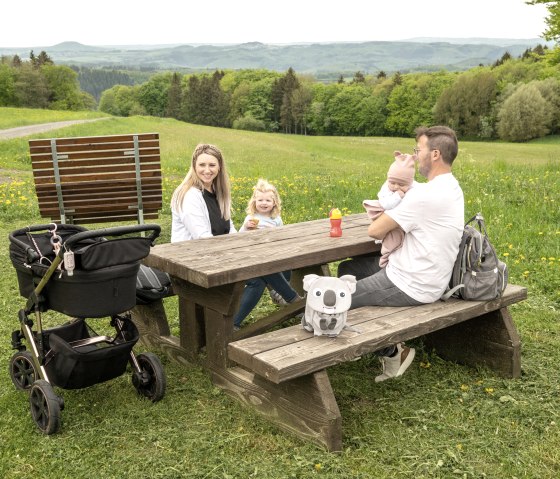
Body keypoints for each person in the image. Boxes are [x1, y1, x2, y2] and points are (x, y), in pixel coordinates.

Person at [338, 125, 464, 382]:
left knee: (339, 298)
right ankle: (365, 340)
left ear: (435, 154)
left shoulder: (425, 196)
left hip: (412, 283)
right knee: (347, 270)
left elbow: (375, 230)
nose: (415, 156)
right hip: (424, 274)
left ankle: (395, 352)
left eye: (419, 150)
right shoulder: (450, 186)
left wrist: (394, 200)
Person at [233, 179, 302, 329]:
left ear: (274, 203)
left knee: (287, 261)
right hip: (253, 255)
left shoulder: (275, 219)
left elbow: (281, 236)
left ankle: (280, 291)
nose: (264, 203)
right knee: (266, 268)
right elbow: (238, 238)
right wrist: (245, 227)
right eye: (260, 200)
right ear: (254, 202)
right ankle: (291, 298)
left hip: (271, 254)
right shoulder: (251, 218)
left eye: (268, 200)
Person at [171, 143, 236, 242]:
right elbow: (202, 237)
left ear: (219, 167)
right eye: (202, 165)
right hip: (191, 253)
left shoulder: (219, 191)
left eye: (212, 165)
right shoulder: (189, 195)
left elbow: (230, 229)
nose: (207, 170)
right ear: (194, 166)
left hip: (218, 250)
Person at [363, 151, 417, 268]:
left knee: (396, 241)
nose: (396, 187)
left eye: (402, 184)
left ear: (410, 182)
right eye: (393, 182)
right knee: (390, 240)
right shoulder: (386, 187)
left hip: (400, 223)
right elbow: (385, 204)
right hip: (385, 214)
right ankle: (385, 258)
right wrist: (398, 196)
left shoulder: (414, 189)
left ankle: (388, 257)